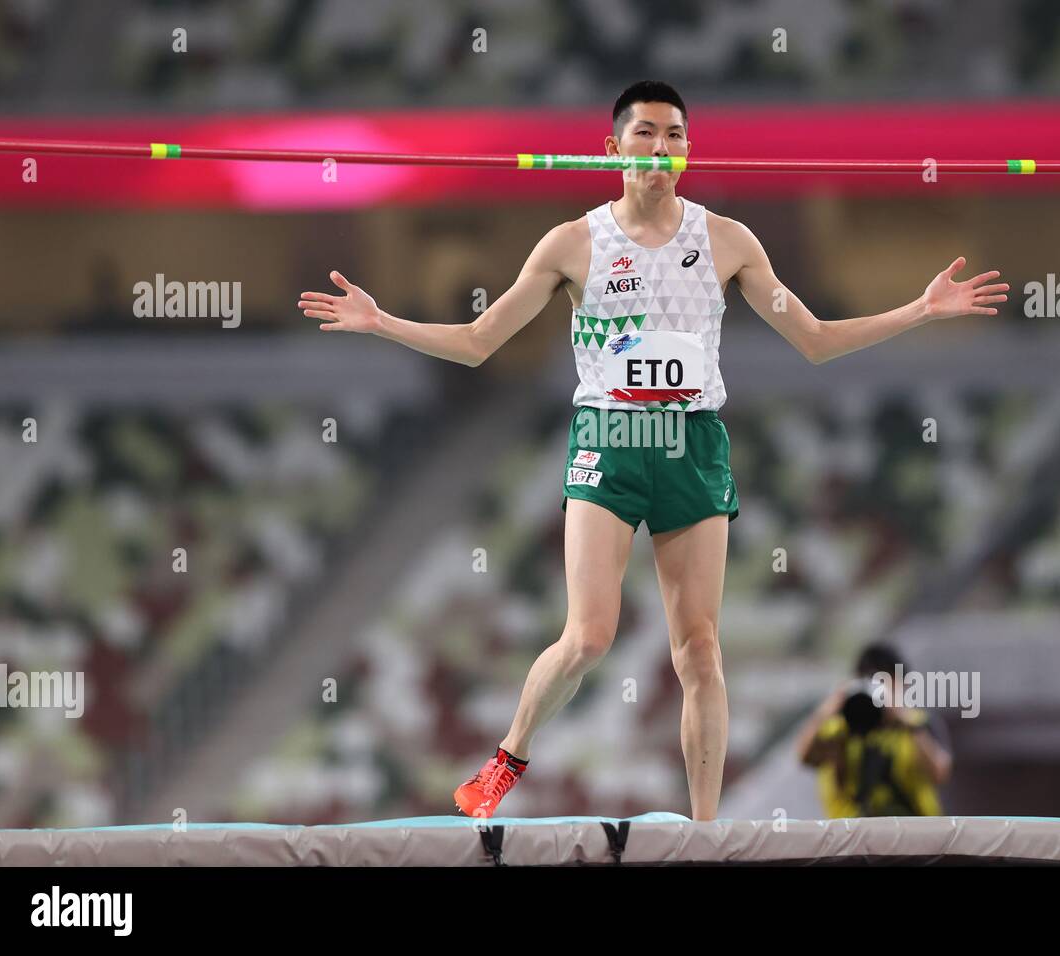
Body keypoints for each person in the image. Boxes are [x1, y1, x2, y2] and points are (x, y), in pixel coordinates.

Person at [297, 80, 1006, 820]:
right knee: (588, 637)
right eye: (646, 133)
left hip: (692, 444)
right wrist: (383, 323)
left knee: (700, 651)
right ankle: (507, 761)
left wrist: (921, 310)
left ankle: (704, 831)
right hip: (609, 440)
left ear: (686, 152)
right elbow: (480, 343)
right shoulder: (573, 243)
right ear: (613, 148)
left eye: (675, 135)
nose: (662, 146)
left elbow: (817, 341)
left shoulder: (728, 240)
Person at [795, 644, 953, 818]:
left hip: (913, 835)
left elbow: (940, 773)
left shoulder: (918, 723)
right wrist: (828, 709)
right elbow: (806, 757)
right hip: (852, 836)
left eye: (887, 687)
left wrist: (904, 721)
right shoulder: (839, 726)